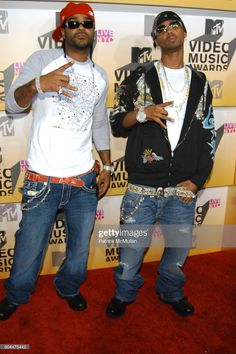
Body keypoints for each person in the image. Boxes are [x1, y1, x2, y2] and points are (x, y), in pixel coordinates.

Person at [0, 2, 113, 321]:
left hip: (84, 181)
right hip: (42, 180)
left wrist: (106, 166)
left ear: (93, 31)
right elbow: (12, 105)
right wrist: (39, 85)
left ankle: (68, 286)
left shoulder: (100, 75)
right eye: (72, 22)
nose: (80, 28)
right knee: (29, 246)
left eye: (86, 23)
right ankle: (18, 294)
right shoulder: (42, 60)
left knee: (79, 247)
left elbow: (100, 123)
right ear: (62, 31)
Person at [106, 11, 215, 318]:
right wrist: (142, 113)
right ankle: (123, 294)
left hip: (182, 189)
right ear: (155, 39)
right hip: (142, 187)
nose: (169, 31)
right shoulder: (138, 78)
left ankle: (171, 291)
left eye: (174, 26)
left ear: (184, 32)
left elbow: (209, 133)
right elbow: (116, 123)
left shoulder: (201, 83)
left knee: (178, 253)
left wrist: (198, 180)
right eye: (162, 28)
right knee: (129, 254)